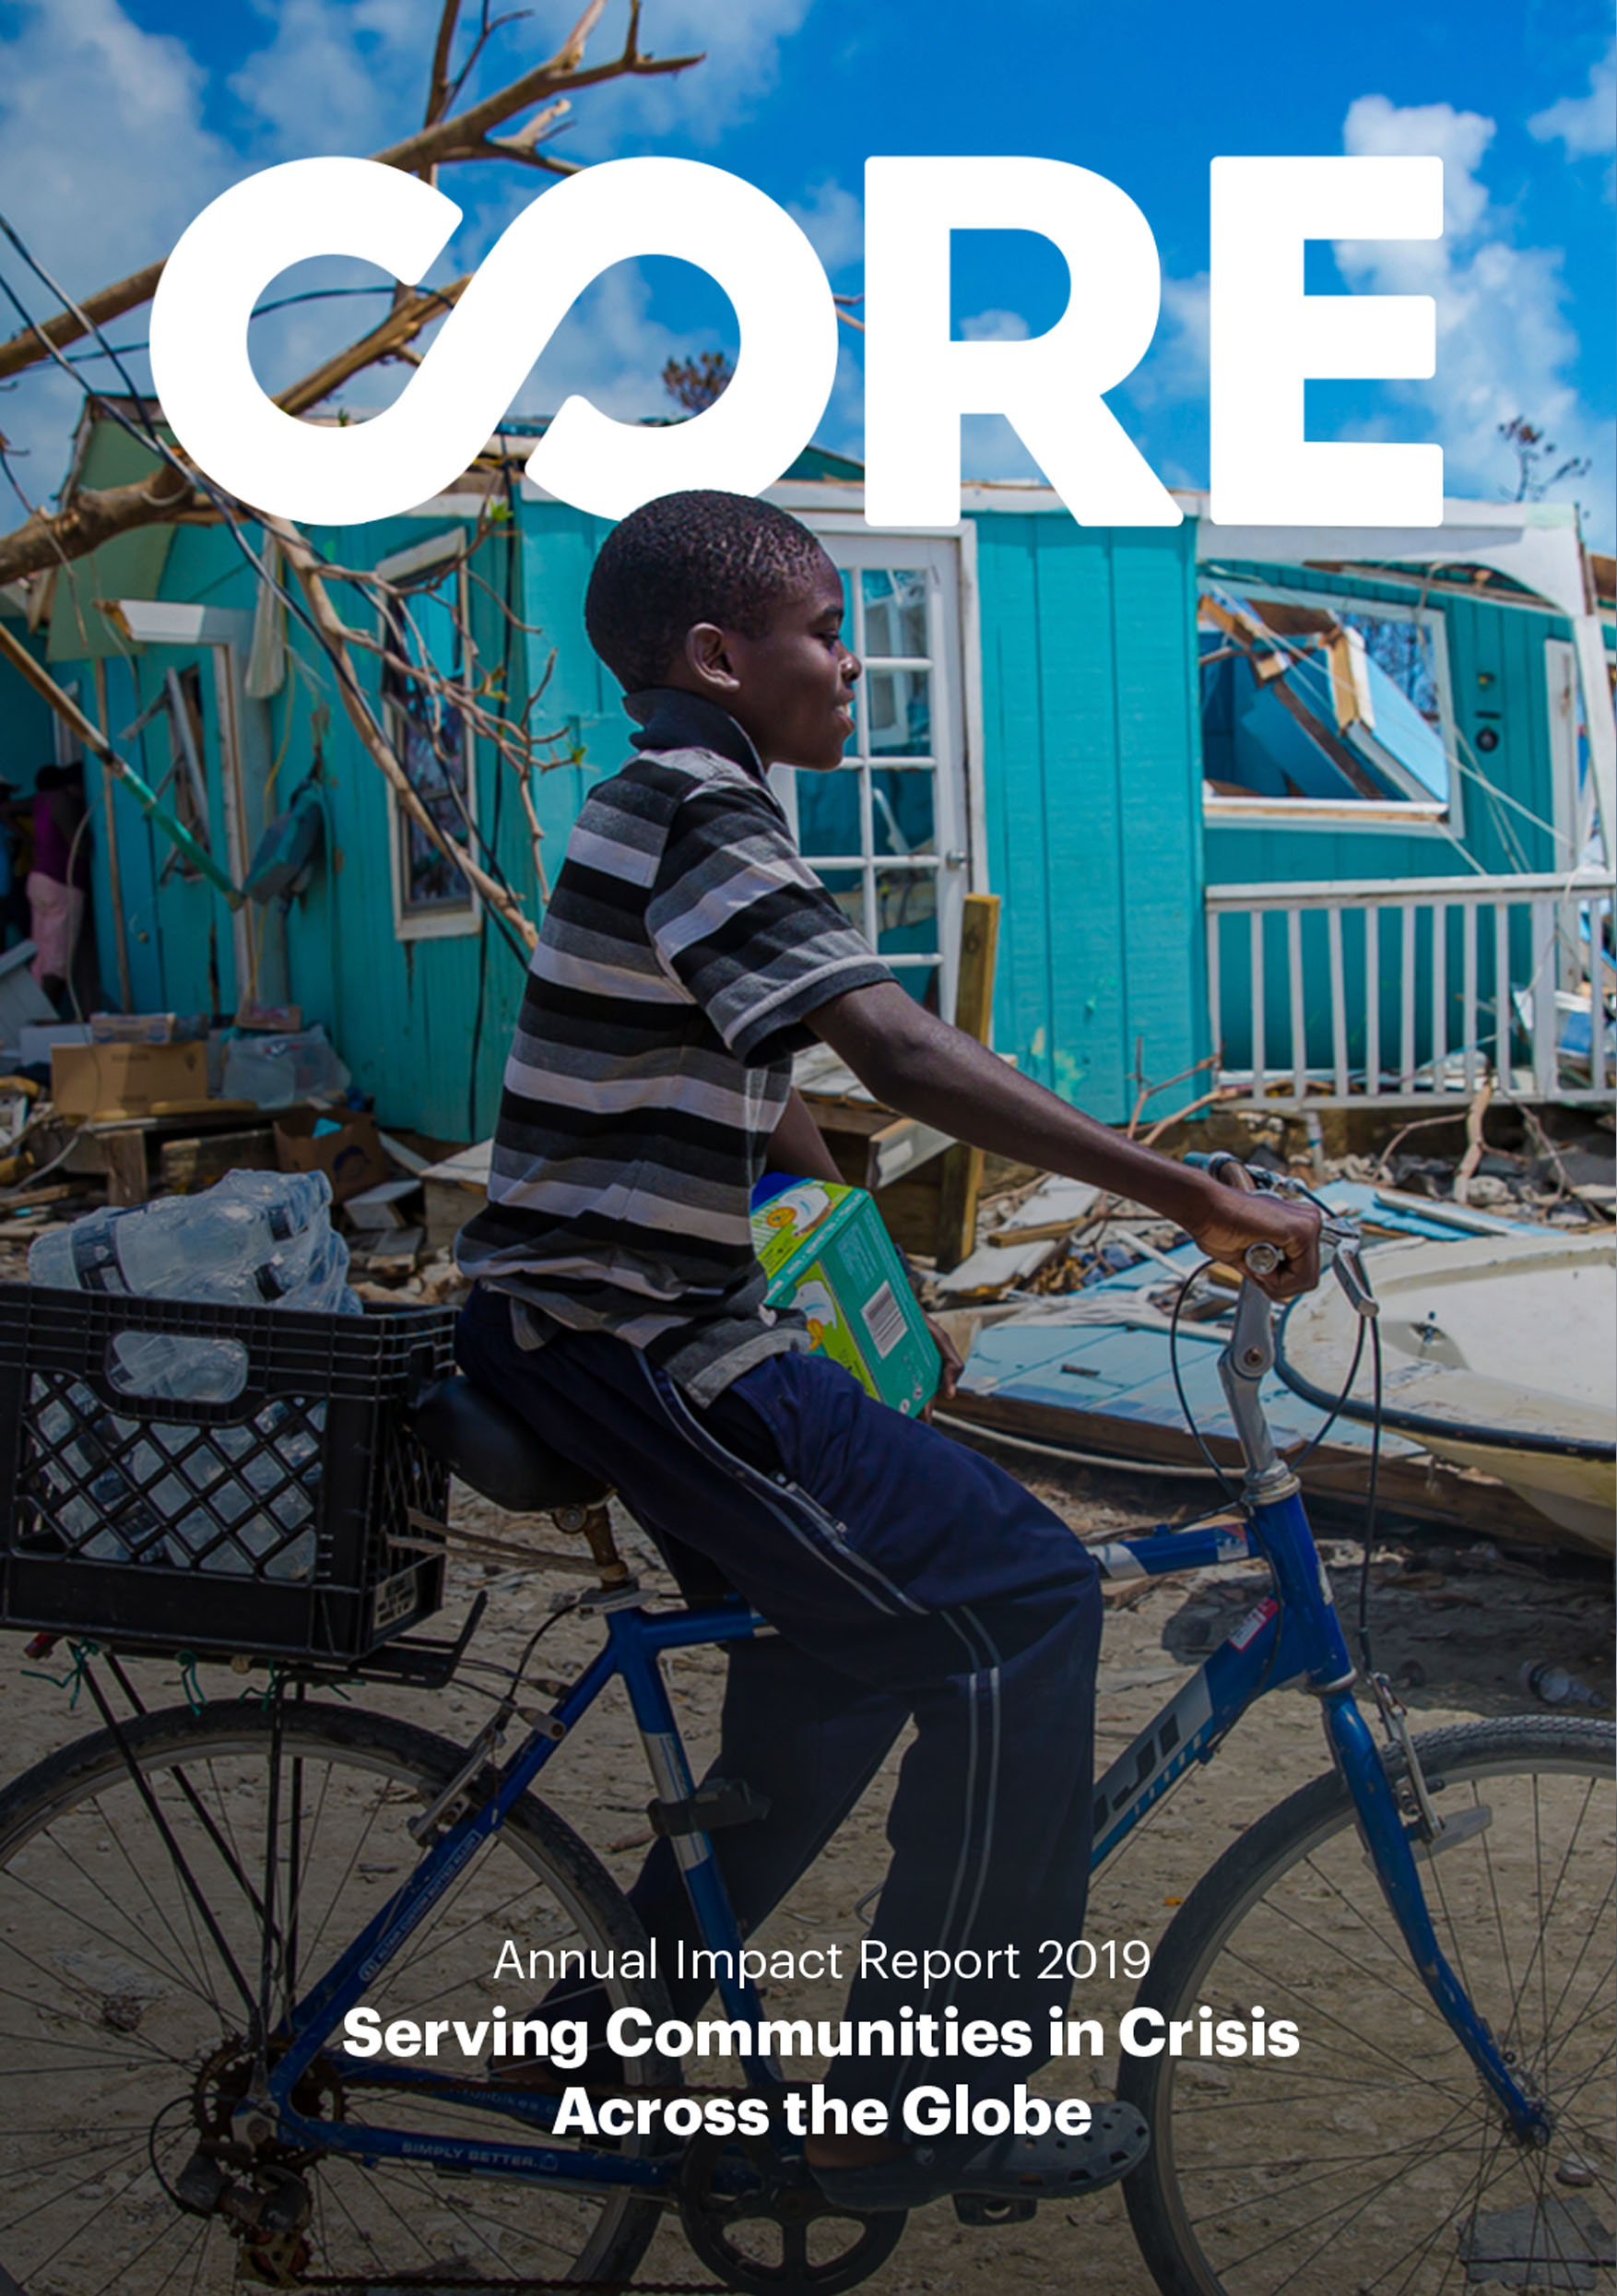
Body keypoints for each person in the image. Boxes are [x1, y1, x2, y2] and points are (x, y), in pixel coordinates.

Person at [454, 490, 1320, 2213]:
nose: (850, 664)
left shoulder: (690, 810)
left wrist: (858, 1272)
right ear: (717, 657)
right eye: (825, 631)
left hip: (619, 1332)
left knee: (845, 1658)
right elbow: (897, 1050)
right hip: (631, 1339)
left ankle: (592, 2043)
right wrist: (1187, 1193)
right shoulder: (699, 807)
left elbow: (773, 1091)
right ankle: (936, 2104)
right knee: (1020, 1600)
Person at [28, 763, 94, 1014]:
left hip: (39, 881)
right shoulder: (63, 803)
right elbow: (81, 846)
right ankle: (42, 1017)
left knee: (41, 957)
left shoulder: (41, 801)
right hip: (61, 886)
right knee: (58, 960)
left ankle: (31, 1015)